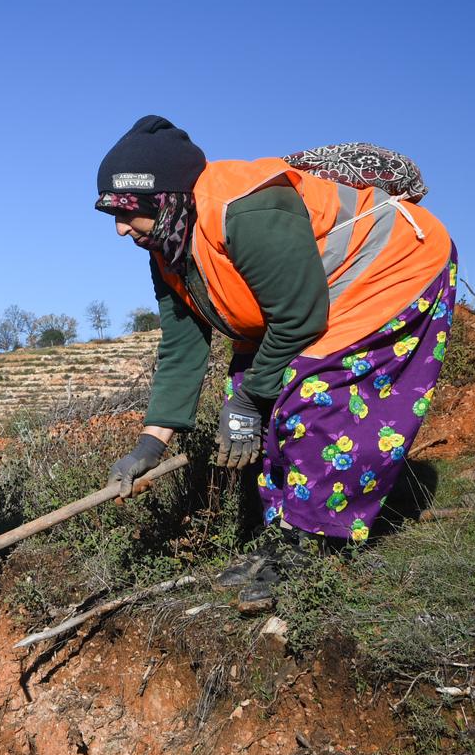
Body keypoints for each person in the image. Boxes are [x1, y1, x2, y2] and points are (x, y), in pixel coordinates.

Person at [95, 116, 456, 609]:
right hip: (303, 303)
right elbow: (183, 346)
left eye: (126, 211)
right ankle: (284, 538)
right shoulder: (168, 245)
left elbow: (301, 317)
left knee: (313, 398)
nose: (118, 229)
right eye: (109, 213)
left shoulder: (244, 209)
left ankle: (315, 550)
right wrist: (149, 445)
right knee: (252, 412)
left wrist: (248, 398)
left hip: (389, 271)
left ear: (164, 198)